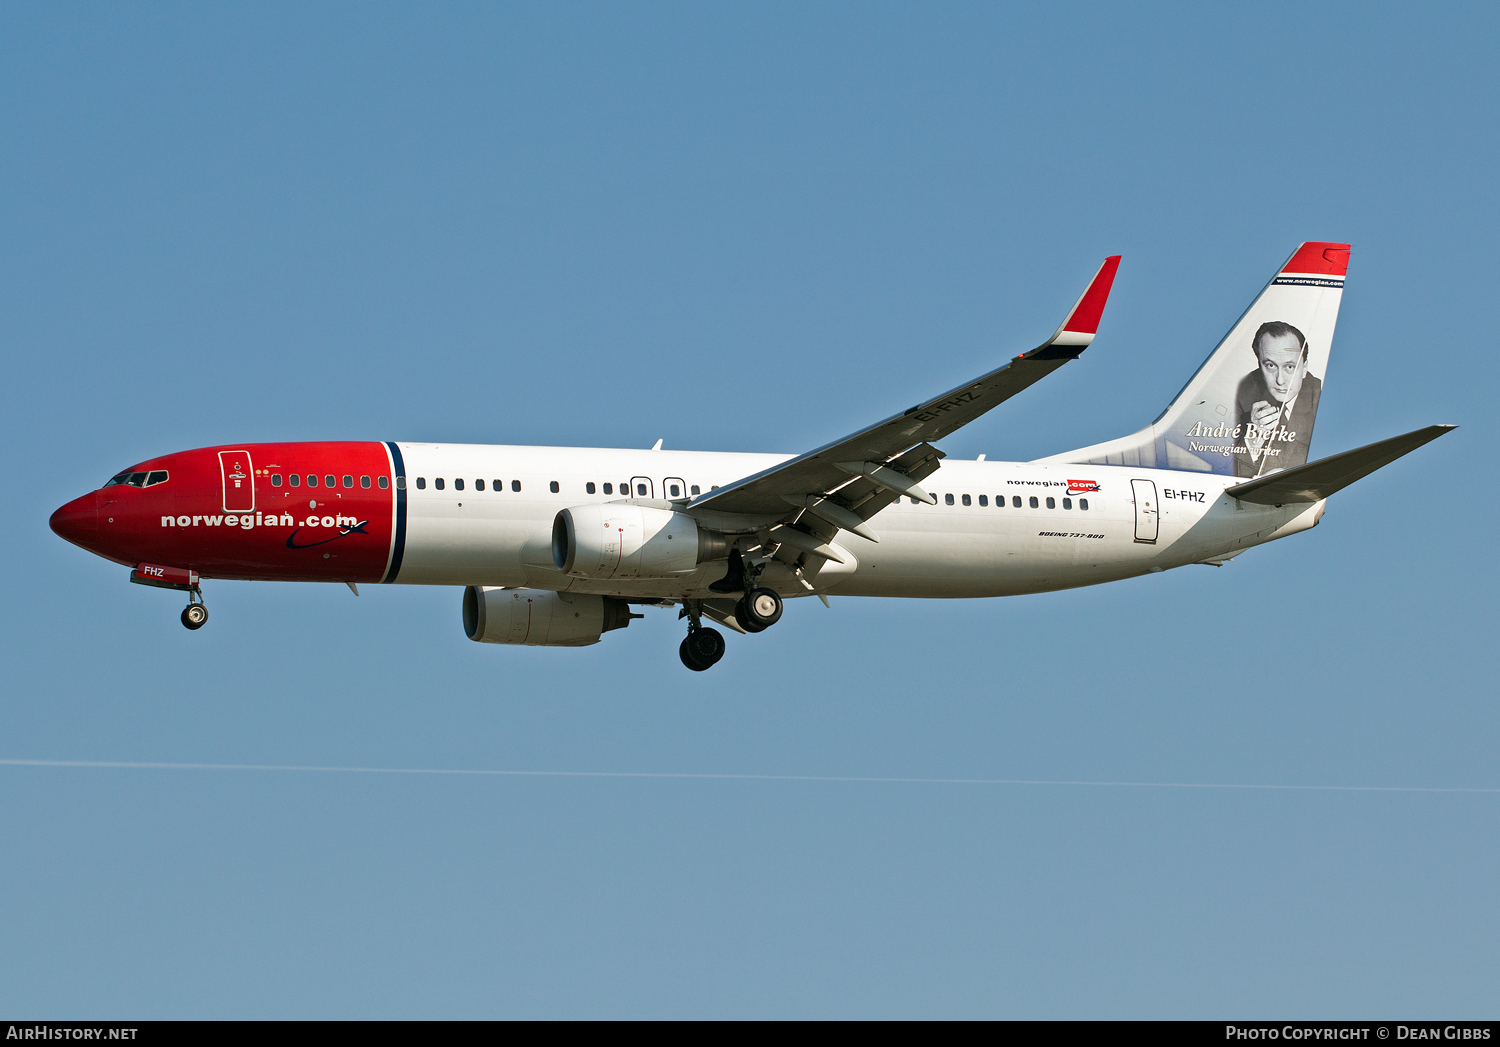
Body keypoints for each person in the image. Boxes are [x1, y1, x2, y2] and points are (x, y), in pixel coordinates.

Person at [1233, 321, 1322, 478]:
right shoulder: (1241, 394)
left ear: (1305, 368)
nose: (1280, 380)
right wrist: (1253, 439)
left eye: (1289, 367)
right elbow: (1227, 473)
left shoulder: (1321, 400)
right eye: (1270, 366)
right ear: (1259, 364)